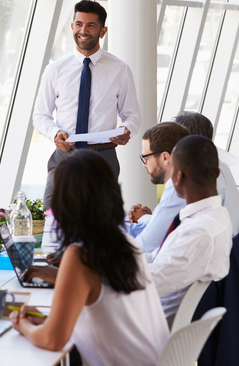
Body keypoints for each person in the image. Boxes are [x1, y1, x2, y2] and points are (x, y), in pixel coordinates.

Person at [10, 151, 169, 366]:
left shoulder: (81, 256)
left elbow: (52, 340)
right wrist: (47, 321)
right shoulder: (126, 245)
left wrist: (23, 326)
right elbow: (107, 317)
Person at [33, 0, 141, 208]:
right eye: (79, 24)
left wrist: (127, 129)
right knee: (52, 216)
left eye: (91, 25)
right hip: (66, 155)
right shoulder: (55, 69)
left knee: (101, 221)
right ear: (72, 26)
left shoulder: (120, 69)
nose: (83, 30)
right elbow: (40, 115)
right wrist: (55, 133)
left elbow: (132, 114)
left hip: (104, 157)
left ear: (103, 31)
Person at [147, 135, 233, 322]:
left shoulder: (199, 232)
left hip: (153, 325)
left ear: (178, 177)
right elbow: (158, 257)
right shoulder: (216, 216)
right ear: (217, 173)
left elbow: (149, 283)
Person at [172, 111, 239, 234]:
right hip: (233, 241)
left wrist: (145, 218)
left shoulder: (197, 178)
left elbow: (177, 222)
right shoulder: (221, 166)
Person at [125, 122, 190, 253]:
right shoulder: (192, 181)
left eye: (146, 158)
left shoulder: (177, 191)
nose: (144, 165)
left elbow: (144, 245)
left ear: (165, 157)